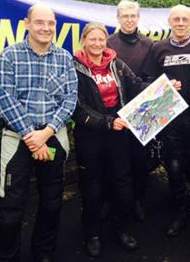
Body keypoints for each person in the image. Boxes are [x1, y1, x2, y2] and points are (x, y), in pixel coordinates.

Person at [0, 4, 78, 262]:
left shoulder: (64, 57)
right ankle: (7, 257)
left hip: (53, 136)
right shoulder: (9, 56)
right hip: (18, 139)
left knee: (52, 202)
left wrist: (47, 133)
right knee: (11, 208)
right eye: (40, 22)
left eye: (51, 23)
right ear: (26, 24)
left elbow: (70, 99)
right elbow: (6, 99)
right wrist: (33, 136)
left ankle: (44, 253)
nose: (46, 28)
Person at [72, 22, 145, 257]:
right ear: (84, 40)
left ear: (106, 41)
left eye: (101, 39)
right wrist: (107, 122)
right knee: (92, 188)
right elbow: (77, 107)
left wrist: (165, 86)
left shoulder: (117, 64)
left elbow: (136, 85)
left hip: (118, 133)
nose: (97, 44)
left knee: (122, 184)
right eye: (92, 39)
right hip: (90, 136)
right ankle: (92, 234)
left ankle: (120, 228)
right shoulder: (75, 68)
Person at [143, 4, 190, 241]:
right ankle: (181, 209)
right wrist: (165, 87)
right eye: (176, 19)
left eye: (185, 19)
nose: (181, 23)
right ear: (169, 22)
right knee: (173, 167)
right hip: (168, 116)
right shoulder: (158, 48)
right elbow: (148, 80)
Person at [107, 0, 153, 221]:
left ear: (138, 17)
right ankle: (114, 201)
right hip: (114, 112)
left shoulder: (149, 44)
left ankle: (139, 200)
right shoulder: (107, 43)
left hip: (141, 111)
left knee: (139, 160)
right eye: (124, 16)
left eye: (133, 15)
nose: (129, 19)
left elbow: (152, 79)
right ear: (117, 18)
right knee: (115, 160)